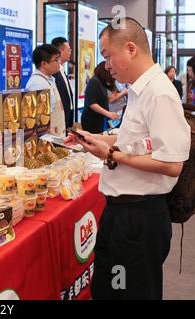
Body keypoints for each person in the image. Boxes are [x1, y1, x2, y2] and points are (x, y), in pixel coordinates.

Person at [66, 18, 190, 300]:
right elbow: (131, 138)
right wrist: (94, 139)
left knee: (132, 293)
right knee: (108, 290)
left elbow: (171, 164)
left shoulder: (159, 93)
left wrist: (111, 154)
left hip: (140, 217)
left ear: (131, 49)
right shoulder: (139, 91)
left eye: (108, 56)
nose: (107, 65)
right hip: (120, 212)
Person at [26, 44, 66, 138]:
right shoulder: (38, 83)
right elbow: (40, 120)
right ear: (44, 64)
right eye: (56, 60)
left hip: (57, 134)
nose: (59, 63)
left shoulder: (49, 79)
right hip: (48, 138)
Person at [81, 61, 123, 134]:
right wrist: (108, 113)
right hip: (91, 120)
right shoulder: (94, 81)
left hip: (98, 119)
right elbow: (92, 103)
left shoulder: (101, 82)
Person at [51, 37, 74, 129]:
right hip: (59, 119)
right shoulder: (53, 72)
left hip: (67, 116)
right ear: (60, 51)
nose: (70, 52)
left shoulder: (62, 69)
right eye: (68, 50)